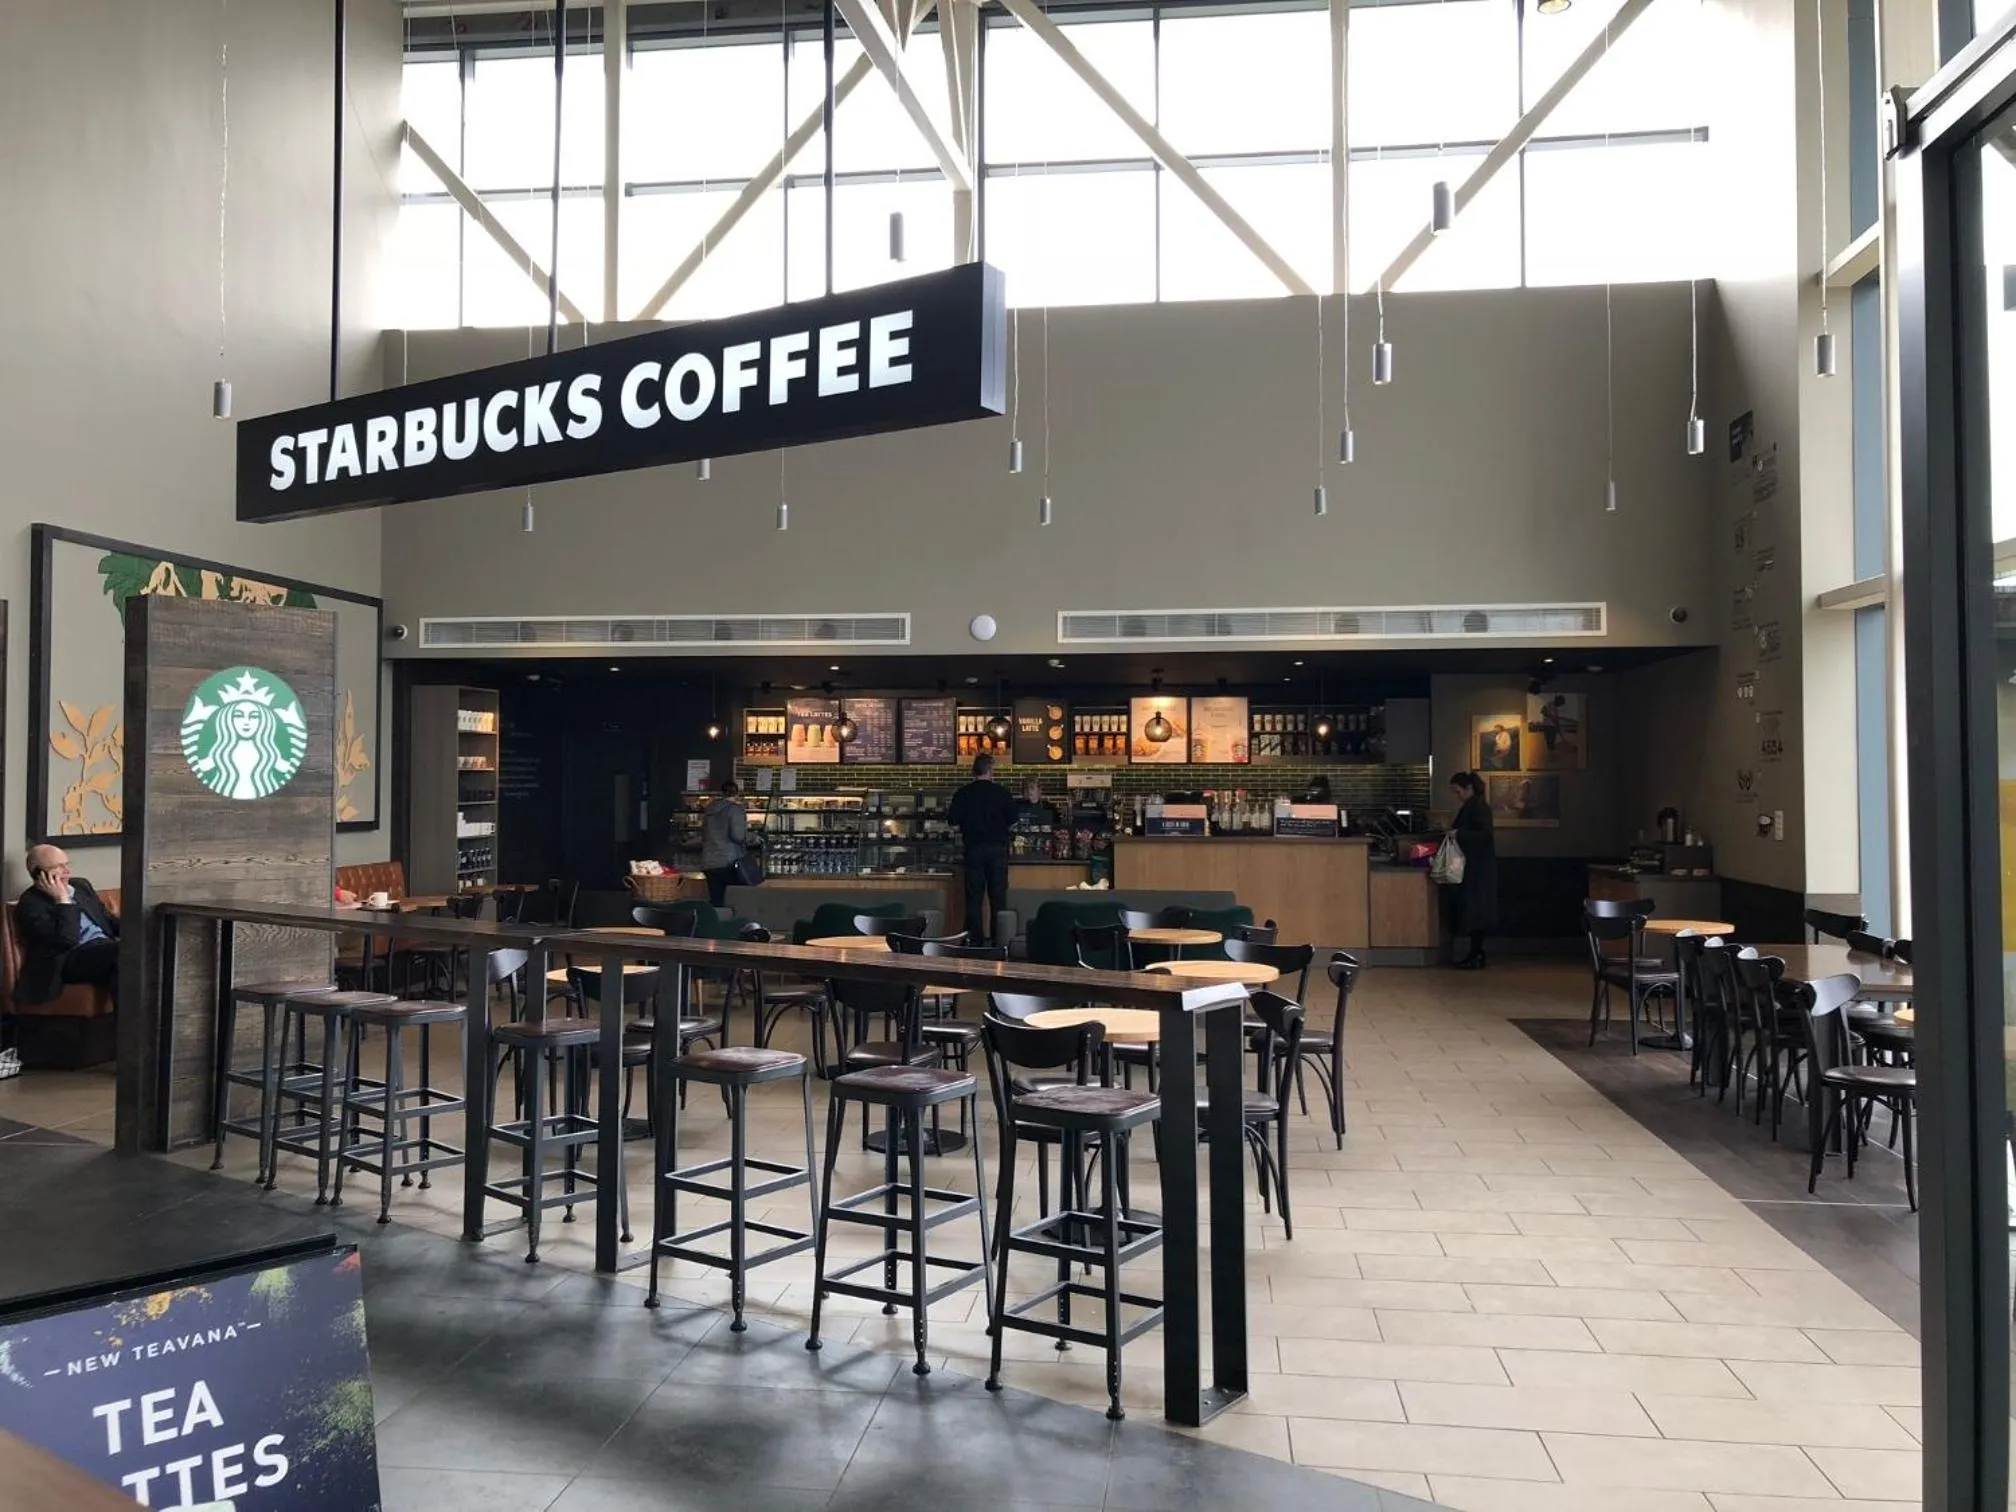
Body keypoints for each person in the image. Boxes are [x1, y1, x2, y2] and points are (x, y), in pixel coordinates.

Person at [15, 845, 120, 1006]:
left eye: (66, 864)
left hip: (104, 949)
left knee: (127, 962)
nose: (67, 872)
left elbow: (107, 920)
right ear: (39, 874)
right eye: (58, 867)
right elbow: (68, 939)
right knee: (124, 953)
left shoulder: (80, 886)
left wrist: (142, 929)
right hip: (69, 959)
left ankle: (136, 1021)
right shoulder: (31, 903)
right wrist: (63, 900)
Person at [948, 753, 1017, 945]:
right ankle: (999, 941)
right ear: (990, 770)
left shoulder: (963, 793)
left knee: (974, 899)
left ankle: (975, 942)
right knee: (998, 898)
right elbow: (1013, 819)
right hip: (998, 850)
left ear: (974, 771)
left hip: (974, 849)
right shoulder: (1002, 793)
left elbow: (952, 821)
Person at [1442, 772, 1498, 969]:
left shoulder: (1477, 807)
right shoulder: (1476, 806)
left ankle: (1476, 953)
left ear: (1468, 788)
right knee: (1476, 912)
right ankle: (1475, 953)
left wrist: (1458, 834)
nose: (1457, 796)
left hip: (1476, 868)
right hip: (1477, 867)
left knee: (1475, 912)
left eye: (1458, 791)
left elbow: (1485, 835)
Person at [697, 780, 750, 908]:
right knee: (736, 901)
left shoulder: (710, 810)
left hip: (709, 862)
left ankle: (717, 919)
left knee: (716, 900)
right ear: (737, 793)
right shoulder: (735, 809)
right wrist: (753, 837)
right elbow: (738, 836)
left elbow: (704, 835)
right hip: (729, 862)